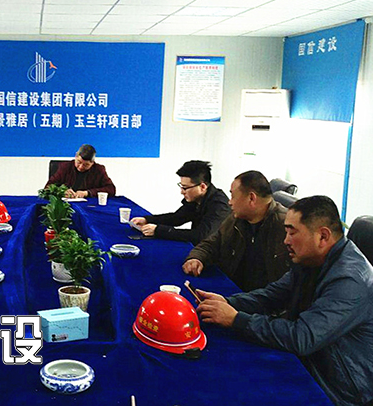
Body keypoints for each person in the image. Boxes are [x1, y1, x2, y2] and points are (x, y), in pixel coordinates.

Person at [197, 196, 373, 406]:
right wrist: (229, 303)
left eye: (292, 232)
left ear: (323, 236)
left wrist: (235, 319)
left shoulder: (349, 280)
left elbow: (302, 337)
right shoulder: (312, 259)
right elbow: (272, 295)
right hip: (311, 361)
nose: (285, 240)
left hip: (339, 391)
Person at [183, 170, 290, 291]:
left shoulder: (287, 227)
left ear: (251, 198)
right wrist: (196, 258)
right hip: (235, 290)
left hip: (263, 298)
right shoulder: (237, 219)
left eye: (233, 196)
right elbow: (213, 243)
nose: (230, 202)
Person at [130, 160, 230, 244]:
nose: (182, 192)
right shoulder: (196, 198)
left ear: (203, 187)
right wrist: (147, 219)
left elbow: (200, 236)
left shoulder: (219, 206)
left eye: (185, 188)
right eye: (181, 187)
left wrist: (158, 230)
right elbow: (177, 218)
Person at [45, 144, 116, 198]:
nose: (81, 167)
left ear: (92, 163)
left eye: (86, 165)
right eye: (79, 162)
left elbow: (111, 189)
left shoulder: (99, 170)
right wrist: (62, 191)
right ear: (75, 156)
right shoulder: (65, 167)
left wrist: (87, 193)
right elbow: (48, 187)